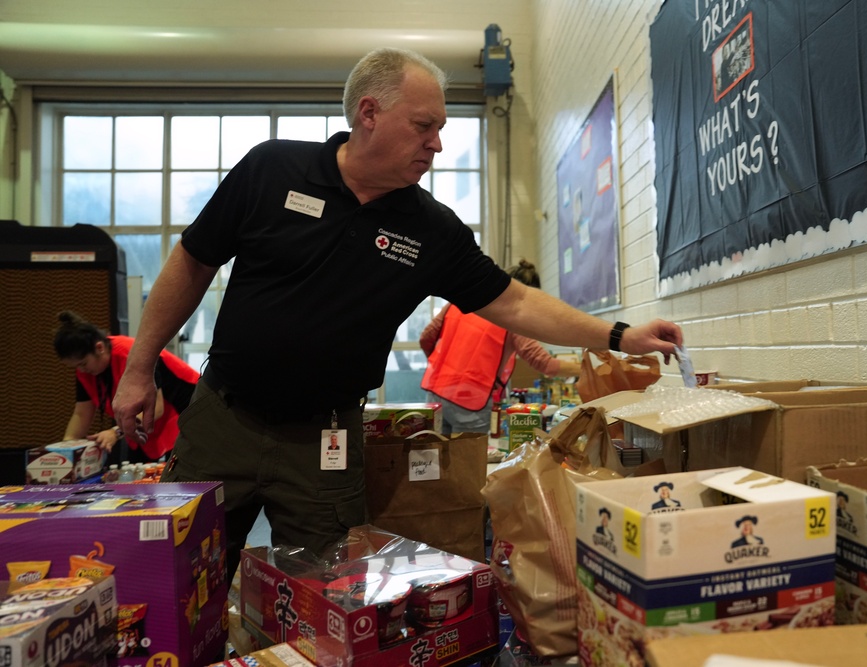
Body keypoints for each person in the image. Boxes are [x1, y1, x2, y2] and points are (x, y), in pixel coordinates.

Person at [112, 46, 683, 583]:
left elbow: (515, 301)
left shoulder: (429, 228)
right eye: (424, 125)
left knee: (327, 599)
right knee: (178, 582)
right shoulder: (272, 170)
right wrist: (139, 369)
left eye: (440, 129)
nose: (436, 144)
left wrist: (619, 334)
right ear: (369, 113)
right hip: (223, 422)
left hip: (325, 442)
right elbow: (192, 262)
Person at [419, 259, 582, 434]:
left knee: (437, 455)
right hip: (471, 400)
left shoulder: (458, 301)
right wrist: (585, 369)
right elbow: (545, 364)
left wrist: (443, 366)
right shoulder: (513, 317)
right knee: (465, 458)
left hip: (436, 393)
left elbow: (426, 338)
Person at [53, 310, 200, 464]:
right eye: (76, 367)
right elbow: (81, 415)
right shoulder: (85, 371)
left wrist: (115, 432)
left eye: (83, 363)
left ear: (99, 347)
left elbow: (155, 408)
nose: (82, 370)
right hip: (142, 428)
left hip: (188, 411)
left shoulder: (132, 354)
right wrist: (65, 449)